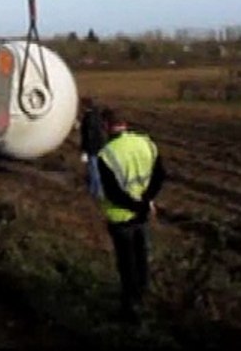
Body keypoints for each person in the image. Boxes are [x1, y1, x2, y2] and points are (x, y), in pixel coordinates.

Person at [96, 106, 166, 323]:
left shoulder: (106, 155)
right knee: (142, 259)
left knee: (127, 265)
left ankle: (130, 311)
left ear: (106, 127)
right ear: (125, 123)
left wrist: (135, 206)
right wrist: (146, 201)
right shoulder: (146, 143)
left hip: (120, 219)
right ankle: (143, 299)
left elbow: (114, 194)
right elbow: (161, 175)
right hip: (141, 216)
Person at [79, 98, 107, 200]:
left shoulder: (88, 118)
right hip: (98, 146)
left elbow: (88, 135)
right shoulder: (96, 115)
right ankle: (94, 191)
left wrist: (85, 149)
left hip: (92, 147)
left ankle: (98, 192)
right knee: (95, 169)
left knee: (93, 169)